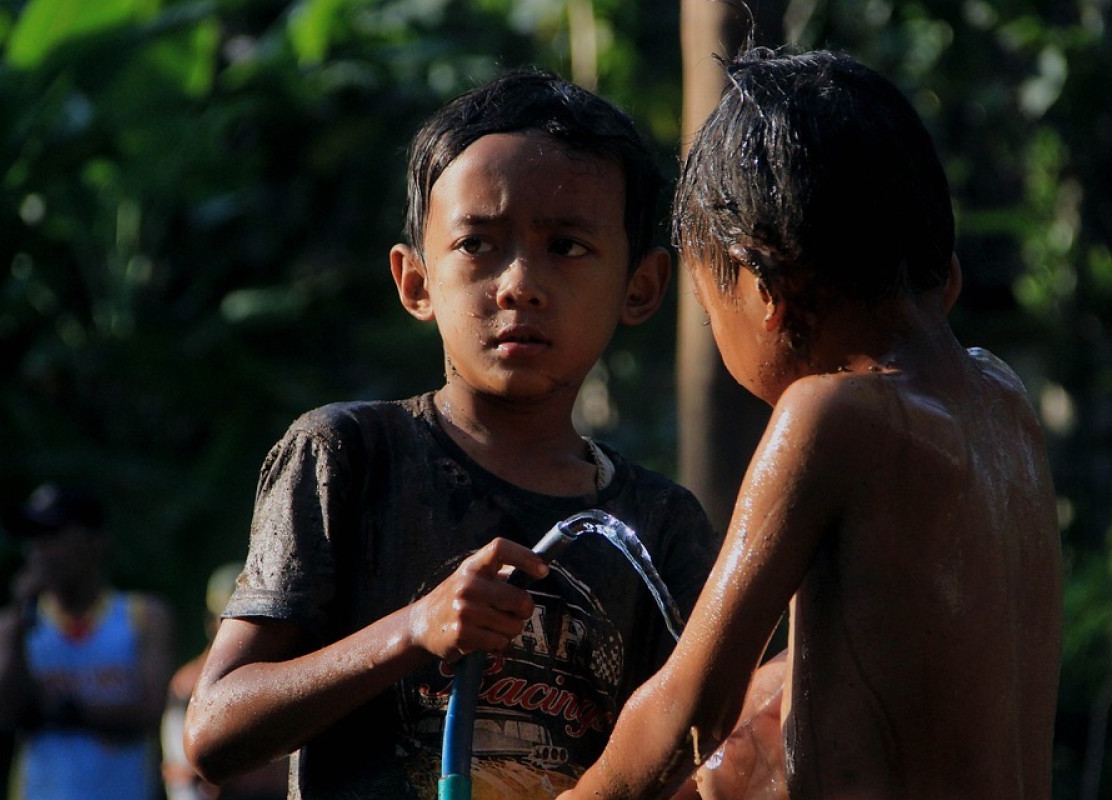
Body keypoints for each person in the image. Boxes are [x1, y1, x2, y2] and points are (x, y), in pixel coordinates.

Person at [183, 68, 719, 799]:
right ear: (416, 282)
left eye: (566, 246)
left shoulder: (662, 523)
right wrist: (413, 629)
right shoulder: (348, 457)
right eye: (477, 245)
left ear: (642, 287)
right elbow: (214, 729)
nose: (518, 283)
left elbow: (694, 751)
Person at [560, 48, 1063, 799]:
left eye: (709, 307)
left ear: (765, 292)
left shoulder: (832, 415)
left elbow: (691, 711)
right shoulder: (1004, 401)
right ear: (943, 272)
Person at [0, 482, 176, 800]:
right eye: (33, 537)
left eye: (53, 534)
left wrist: (59, 710)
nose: (40, 550)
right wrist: (20, 625)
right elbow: (1, 713)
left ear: (95, 542)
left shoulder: (143, 617)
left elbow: (152, 711)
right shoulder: (6, 626)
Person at [161, 562, 288, 800]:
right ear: (212, 621)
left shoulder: (279, 674)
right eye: (229, 619)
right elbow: (183, 775)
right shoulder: (188, 686)